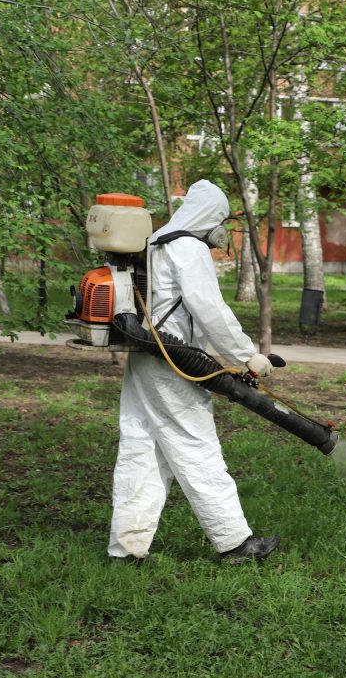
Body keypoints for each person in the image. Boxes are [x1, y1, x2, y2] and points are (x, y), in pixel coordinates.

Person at [108, 179, 279, 564]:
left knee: (143, 450)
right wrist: (247, 354)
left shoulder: (152, 242)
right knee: (197, 447)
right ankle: (236, 543)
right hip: (173, 364)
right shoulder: (187, 247)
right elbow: (209, 310)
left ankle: (127, 549)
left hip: (145, 360)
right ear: (210, 216)